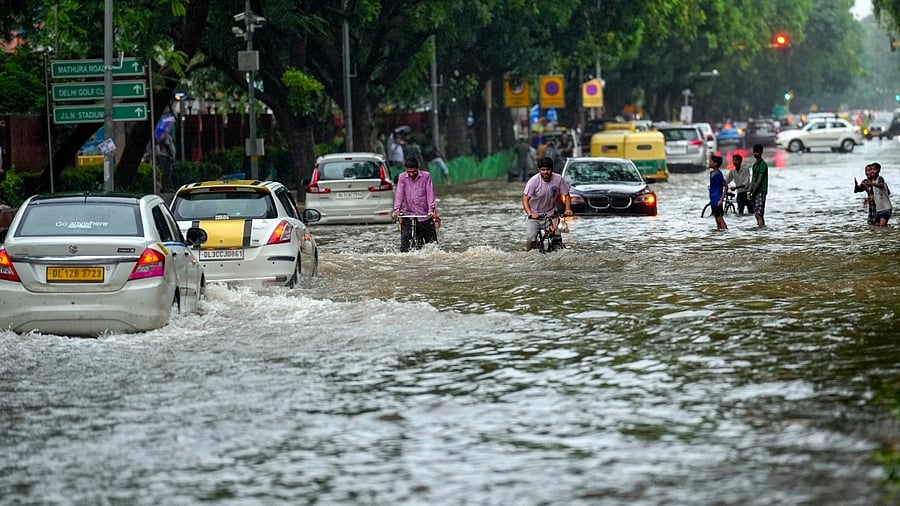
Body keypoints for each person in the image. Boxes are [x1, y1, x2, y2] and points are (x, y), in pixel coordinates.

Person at [522, 156, 573, 251]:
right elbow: (525, 199)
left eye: (548, 169)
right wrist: (530, 214)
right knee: (531, 238)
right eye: (543, 170)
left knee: (557, 237)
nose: (546, 172)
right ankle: (529, 256)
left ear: (552, 169)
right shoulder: (533, 181)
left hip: (551, 214)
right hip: (534, 214)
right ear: (539, 170)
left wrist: (568, 209)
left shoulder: (558, 179)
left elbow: (566, 195)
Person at [391, 157, 438, 252]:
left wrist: (431, 210)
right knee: (405, 244)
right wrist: (396, 210)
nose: (411, 174)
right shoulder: (402, 177)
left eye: (414, 171)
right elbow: (399, 194)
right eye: (409, 172)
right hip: (408, 214)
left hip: (424, 215)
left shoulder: (426, 176)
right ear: (406, 170)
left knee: (432, 245)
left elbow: (430, 194)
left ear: (418, 168)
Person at [748, 144, 769, 228]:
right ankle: (761, 228)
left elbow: (759, 181)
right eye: (754, 152)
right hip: (755, 191)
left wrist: (752, 192)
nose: (755, 154)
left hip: (761, 191)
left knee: (759, 213)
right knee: (757, 213)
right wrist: (749, 192)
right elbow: (753, 180)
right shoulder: (755, 165)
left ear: (761, 152)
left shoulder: (763, 164)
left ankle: (761, 229)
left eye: (757, 152)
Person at [708, 155, 728, 230]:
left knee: (719, 218)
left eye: (711, 161)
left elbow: (726, 186)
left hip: (717, 199)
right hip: (713, 199)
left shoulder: (719, 174)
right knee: (716, 218)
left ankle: (725, 233)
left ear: (715, 163)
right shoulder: (711, 173)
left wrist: (721, 200)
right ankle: (719, 234)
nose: (709, 163)